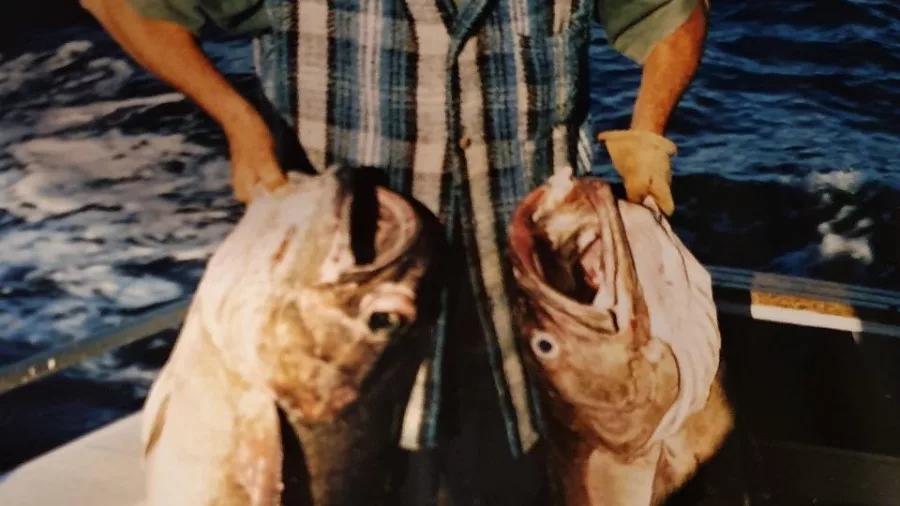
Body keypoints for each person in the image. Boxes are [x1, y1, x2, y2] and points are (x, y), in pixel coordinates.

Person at [80, 0, 709, 503]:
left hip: (519, 351)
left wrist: (647, 130)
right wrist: (235, 120)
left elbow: (670, 19)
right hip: (340, 356)